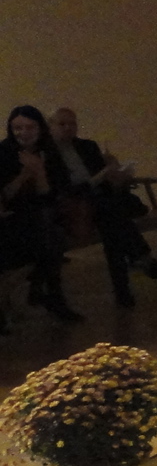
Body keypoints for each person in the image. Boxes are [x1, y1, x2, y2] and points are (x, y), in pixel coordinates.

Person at [47, 107, 157, 307]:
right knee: (112, 217)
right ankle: (141, 265)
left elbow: (108, 183)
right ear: (50, 126)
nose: (68, 128)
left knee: (112, 226)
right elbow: (67, 190)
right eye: (62, 124)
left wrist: (117, 173)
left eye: (72, 123)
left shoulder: (87, 146)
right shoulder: (47, 153)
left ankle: (130, 282)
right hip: (74, 205)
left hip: (101, 202)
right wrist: (101, 176)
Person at [0, 105, 83, 322]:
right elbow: (5, 196)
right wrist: (25, 174)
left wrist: (39, 173)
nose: (23, 133)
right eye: (18, 128)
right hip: (12, 216)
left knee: (48, 226)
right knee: (50, 235)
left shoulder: (50, 152)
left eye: (30, 127)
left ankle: (43, 292)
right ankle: (49, 295)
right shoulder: (4, 152)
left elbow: (50, 196)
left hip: (42, 213)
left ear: (40, 128)